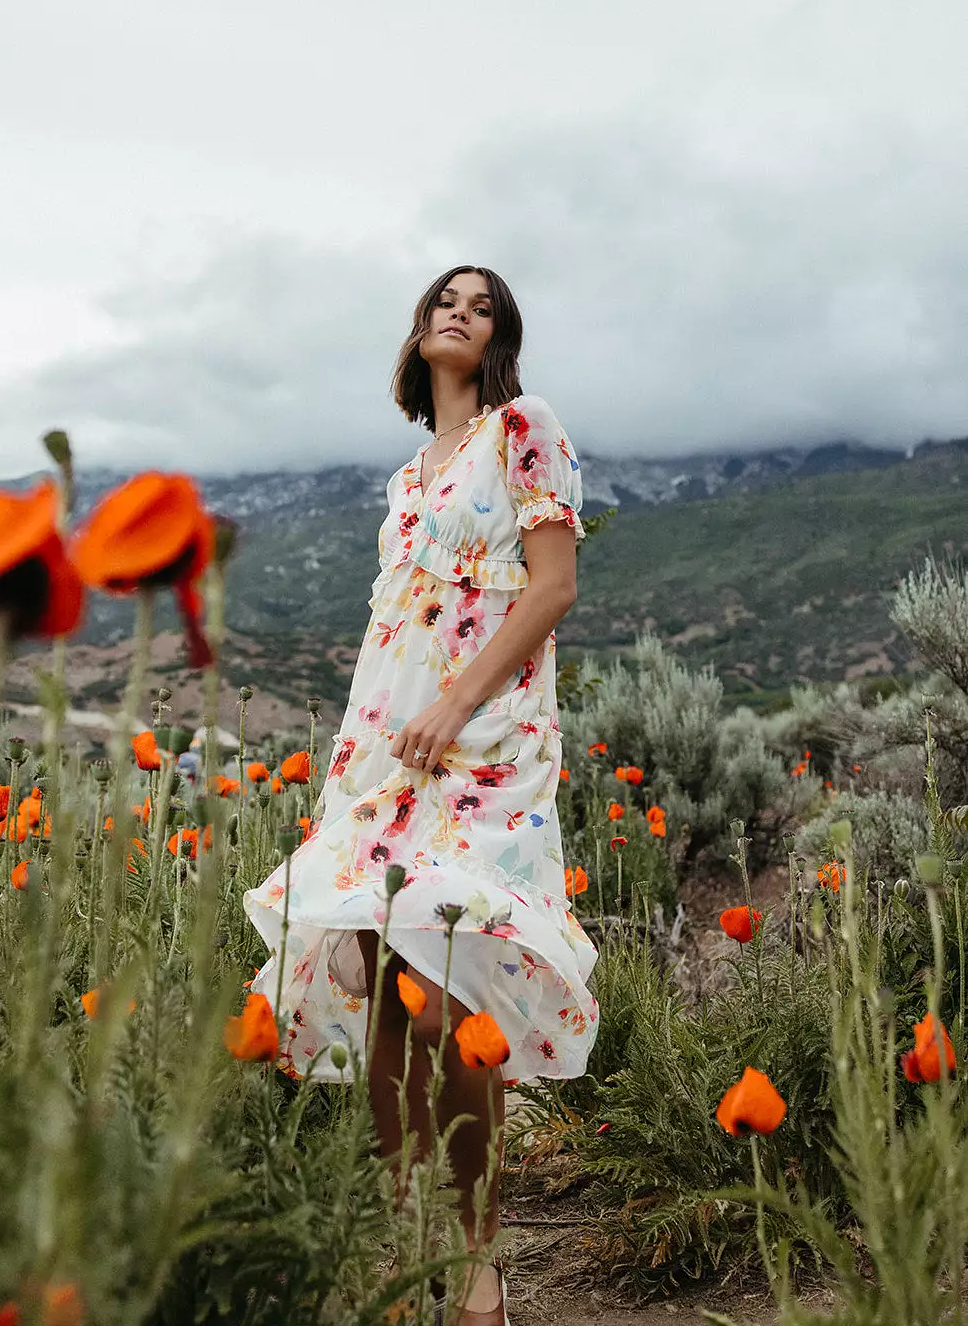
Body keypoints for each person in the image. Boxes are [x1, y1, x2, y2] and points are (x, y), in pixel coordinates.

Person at [243, 267, 599, 1325]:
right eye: (444, 297)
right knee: (379, 973)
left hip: (482, 741)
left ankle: (479, 1260)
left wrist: (451, 706)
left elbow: (552, 588)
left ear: (499, 337)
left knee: (448, 991)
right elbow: (393, 624)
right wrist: (369, 750)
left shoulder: (522, 430)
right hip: (386, 746)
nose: (458, 309)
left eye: (480, 303)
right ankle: (405, 1246)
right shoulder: (408, 477)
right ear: (417, 327)